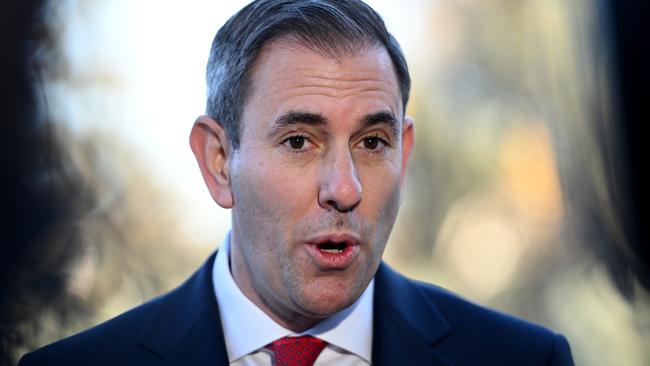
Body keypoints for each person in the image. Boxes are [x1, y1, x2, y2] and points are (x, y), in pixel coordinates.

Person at [19, 0, 575, 365]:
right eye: (299, 142)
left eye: (372, 143)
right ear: (218, 161)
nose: (344, 187)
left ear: (403, 154)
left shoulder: (522, 358)